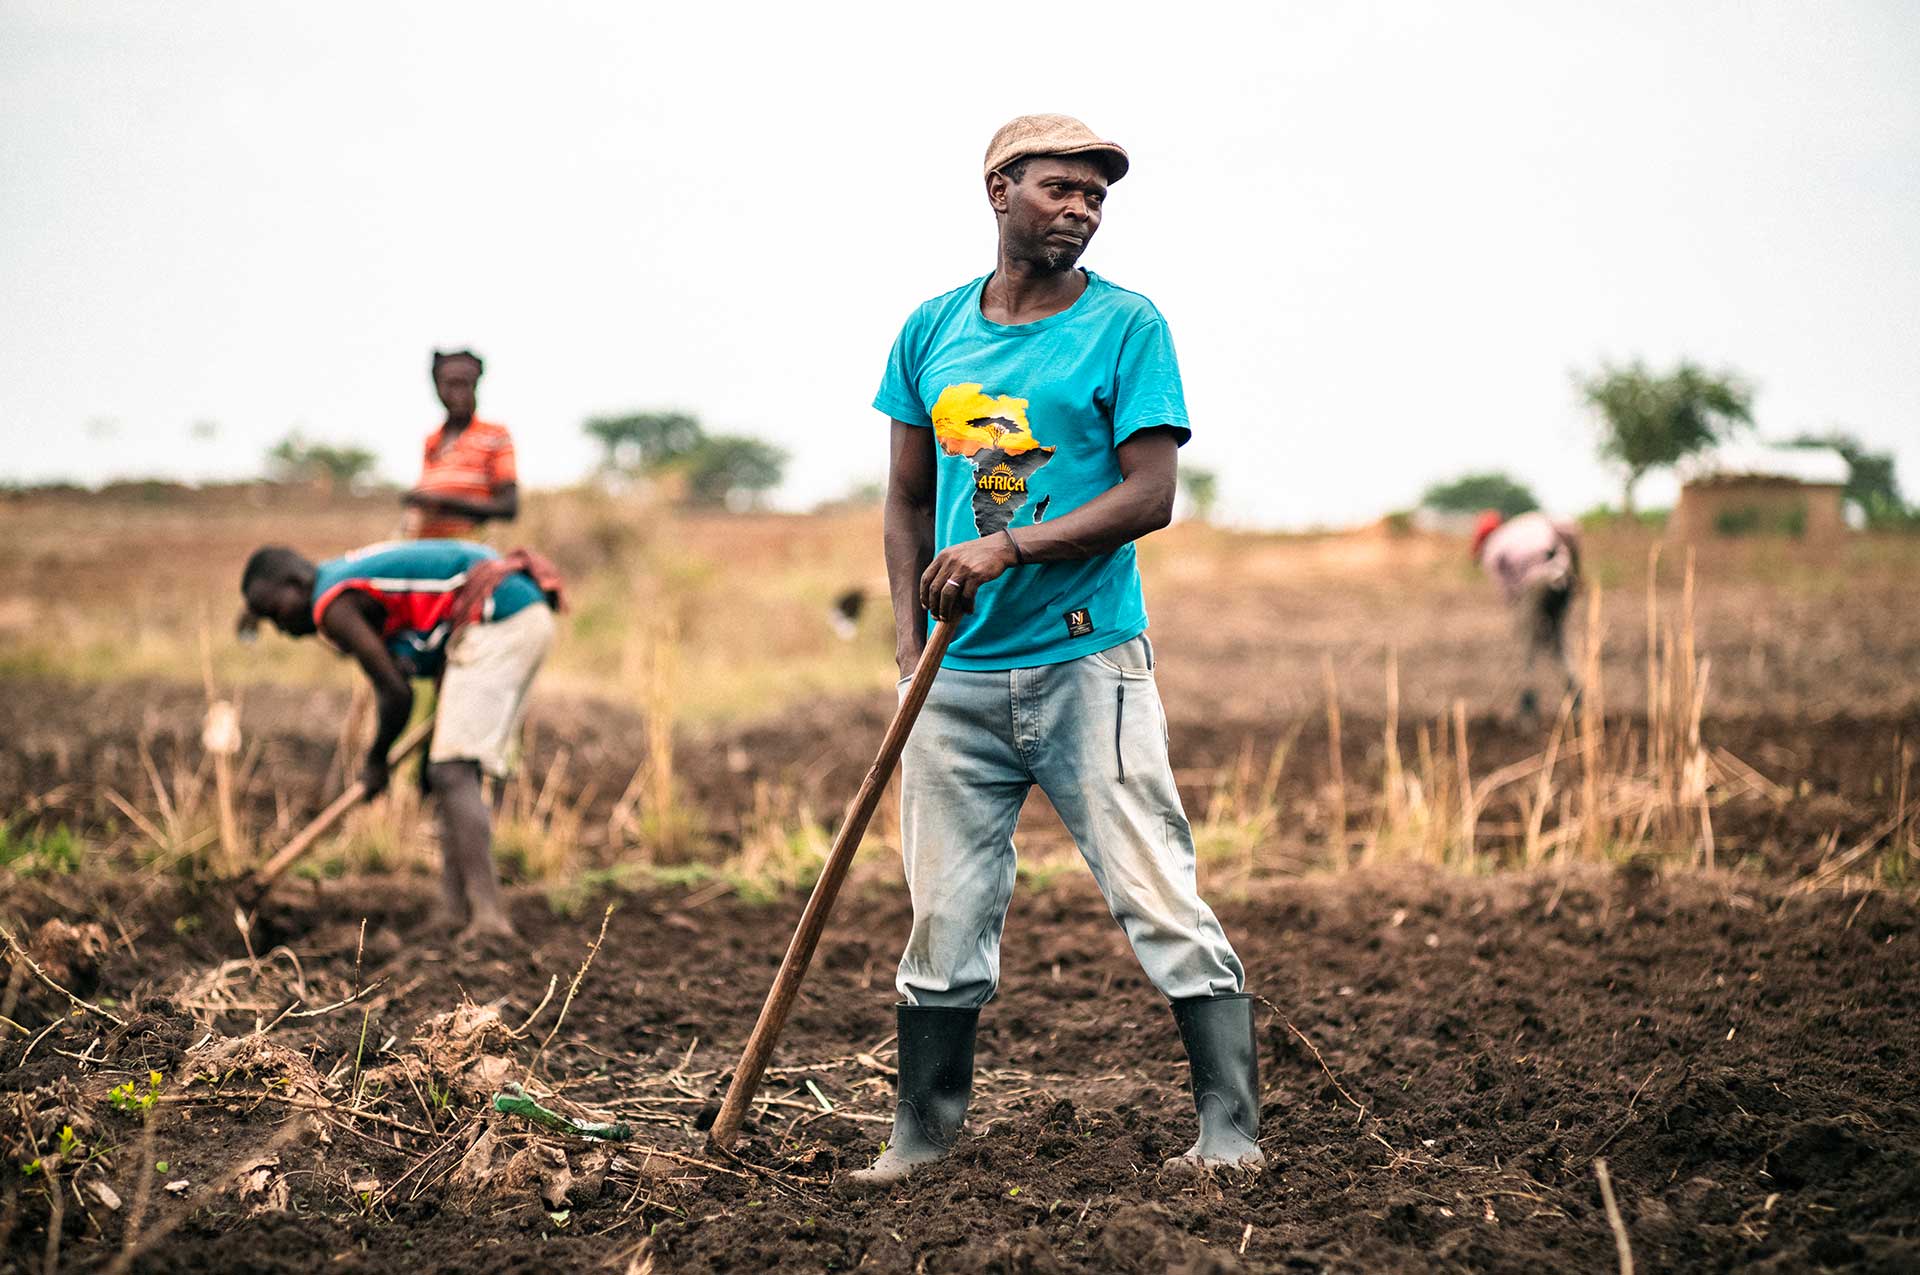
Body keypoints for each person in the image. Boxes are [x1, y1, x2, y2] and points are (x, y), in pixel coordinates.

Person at [851, 114, 1261, 1188]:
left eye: (1096, 197)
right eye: (1060, 190)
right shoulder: (931, 330)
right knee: (943, 910)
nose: (1080, 210)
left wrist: (1006, 547)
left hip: (1090, 667)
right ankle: (923, 1139)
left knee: (1156, 892)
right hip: (953, 676)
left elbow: (1151, 494)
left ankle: (1229, 1129)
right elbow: (903, 497)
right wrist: (905, 640)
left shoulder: (1127, 328)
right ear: (1000, 190)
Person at [239, 539, 561, 942]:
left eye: (275, 612)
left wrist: (376, 762)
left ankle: (489, 918)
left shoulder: (331, 603)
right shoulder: (341, 580)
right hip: (513, 616)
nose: (281, 629)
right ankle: (453, 910)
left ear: (296, 581)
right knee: (445, 773)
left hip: (501, 619)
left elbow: (396, 691)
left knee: (452, 770)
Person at [1472, 509, 1583, 720]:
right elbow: (1572, 531)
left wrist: (1525, 614)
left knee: (1525, 645)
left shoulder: (1493, 546)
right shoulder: (1533, 520)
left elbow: (1507, 592)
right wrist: (1577, 572)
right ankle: (1576, 695)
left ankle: (1527, 707)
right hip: (1563, 576)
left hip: (1534, 582)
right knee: (1558, 640)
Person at [403, 350, 519, 540]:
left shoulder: (495, 435)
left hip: (469, 545)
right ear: (438, 388)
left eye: (464, 384)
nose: (458, 394)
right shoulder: (432, 441)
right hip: (426, 544)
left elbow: (508, 507)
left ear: (475, 385)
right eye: (450, 385)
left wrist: (441, 501)